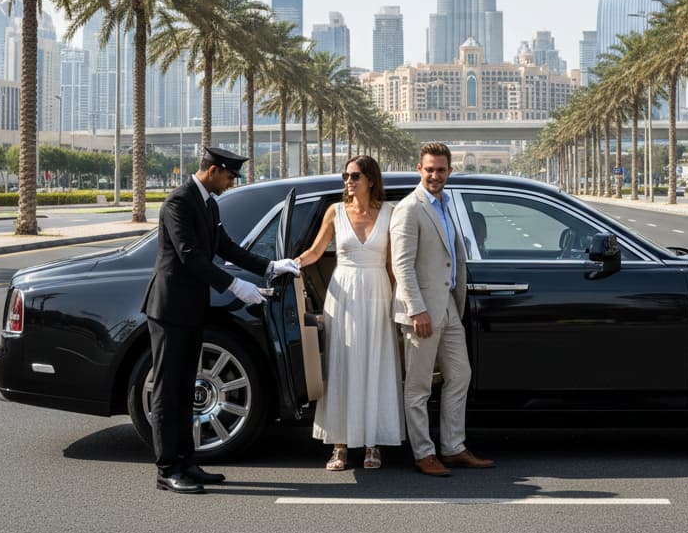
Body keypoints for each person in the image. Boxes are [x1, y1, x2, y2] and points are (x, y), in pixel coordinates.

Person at [142, 146, 300, 494]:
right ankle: (167, 468)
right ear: (213, 170)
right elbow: (189, 256)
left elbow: (225, 246)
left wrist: (269, 266)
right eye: (229, 176)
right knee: (168, 391)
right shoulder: (178, 202)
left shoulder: (208, 203)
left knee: (185, 388)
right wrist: (234, 285)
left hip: (192, 308)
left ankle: (186, 461)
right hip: (170, 310)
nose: (231, 183)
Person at [390, 142, 494, 477]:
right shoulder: (409, 208)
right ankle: (423, 453)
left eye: (441, 170)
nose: (435, 175)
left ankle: (453, 447)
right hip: (422, 310)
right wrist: (416, 309)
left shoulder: (445, 204)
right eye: (430, 169)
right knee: (418, 385)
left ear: (449, 171)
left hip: (448, 305)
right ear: (419, 169)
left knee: (460, 375)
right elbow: (402, 265)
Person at [296, 155, 405, 470]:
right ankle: (340, 445)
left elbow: (392, 265)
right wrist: (288, 265)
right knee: (341, 366)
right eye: (346, 176)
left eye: (355, 176)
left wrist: (403, 302)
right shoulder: (335, 212)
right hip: (342, 296)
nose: (348, 181)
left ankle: (373, 443)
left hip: (377, 292)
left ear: (371, 179)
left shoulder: (390, 213)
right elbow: (316, 252)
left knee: (375, 365)